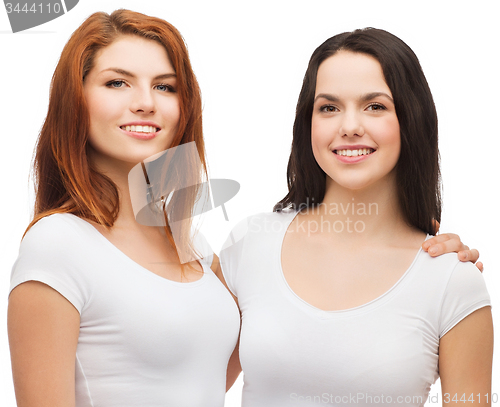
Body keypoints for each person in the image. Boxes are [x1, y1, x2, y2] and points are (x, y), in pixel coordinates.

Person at [219, 28, 493, 406]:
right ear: (308, 123)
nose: (349, 127)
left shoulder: (452, 279)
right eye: (328, 107)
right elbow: (186, 382)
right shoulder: (249, 244)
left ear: (411, 119)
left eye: (375, 106)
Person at [7, 9, 240, 407]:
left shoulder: (194, 245)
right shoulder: (58, 244)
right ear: (74, 100)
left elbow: (198, 380)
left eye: (166, 87)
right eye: (117, 82)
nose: (146, 103)